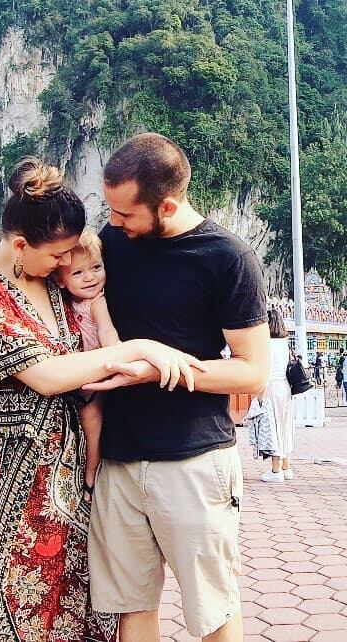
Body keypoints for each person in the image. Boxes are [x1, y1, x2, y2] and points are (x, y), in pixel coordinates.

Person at [0, 157, 204, 642]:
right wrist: (138, 349)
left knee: (85, 605)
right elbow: (47, 376)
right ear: (20, 245)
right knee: (25, 605)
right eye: (58, 253)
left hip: (77, 478)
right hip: (18, 489)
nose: (66, 263)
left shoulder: (47, 282)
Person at [85, 133, 270, 642]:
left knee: (212, 608)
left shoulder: (226, 257)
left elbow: (253, 371)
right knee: (131, 607)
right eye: (111, 212)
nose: (114, 225)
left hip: (194, 460)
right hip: (119, 458)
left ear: (167, 204)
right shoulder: (115, 244)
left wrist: (166, 370)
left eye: (125, 214)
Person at [53, 228, 120, 500]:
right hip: (73, 376)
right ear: (60, 280)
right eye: (78, 273)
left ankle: (90, 477)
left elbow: (106, 331)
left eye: (96, 267)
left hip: (93, 378)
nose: (90, 277)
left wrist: (115, 356)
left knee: (92, 427)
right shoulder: (63, 303)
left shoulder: (97, 302)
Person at [260, 310, 295, 483]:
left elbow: (265, 372)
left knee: (273, 427)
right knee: (285, 425)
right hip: (285, 387)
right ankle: (286, 467)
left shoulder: (266, 344)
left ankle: (275, 470)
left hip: (271, 387)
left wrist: (259, 395)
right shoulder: (285, 343)